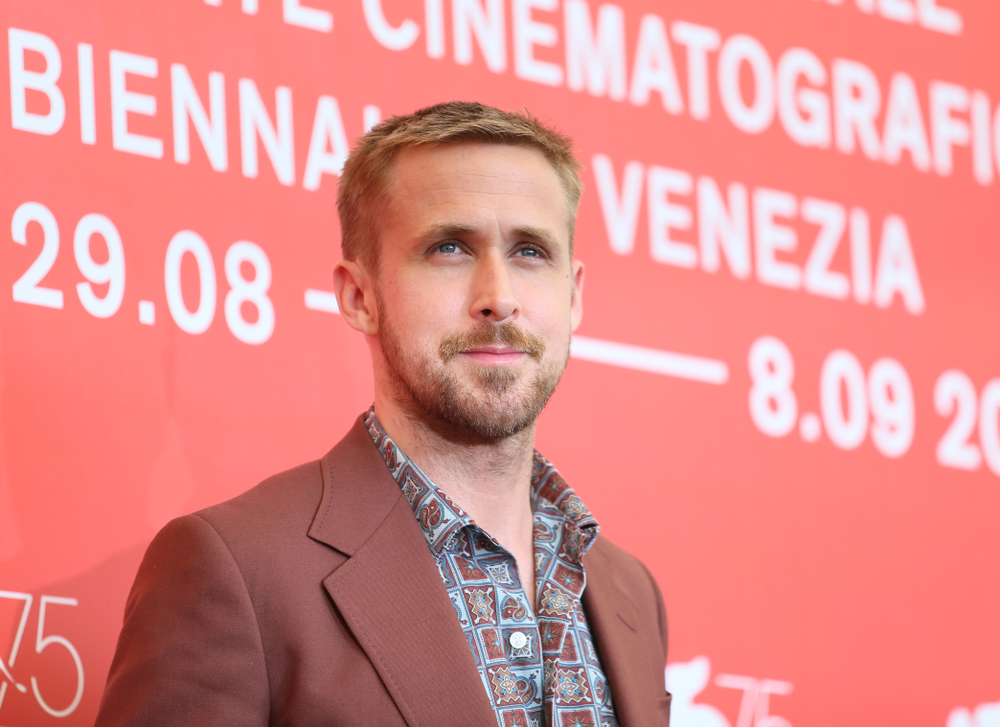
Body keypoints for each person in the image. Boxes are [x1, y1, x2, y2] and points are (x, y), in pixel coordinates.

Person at [95, 101, 671, 727]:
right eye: (449, 248)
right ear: (359, 296)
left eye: (531, 252)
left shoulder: (627, 591)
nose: (499, 298)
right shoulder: (237, 568)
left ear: (574, 295)